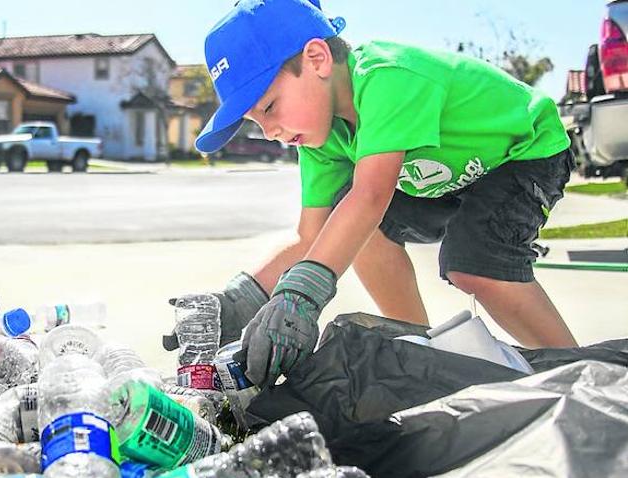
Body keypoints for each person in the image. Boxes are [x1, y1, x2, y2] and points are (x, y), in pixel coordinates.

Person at [164, 0, 578, 387]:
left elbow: (371, 197)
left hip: (522, 153)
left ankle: (578, 371)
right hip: (446, 178)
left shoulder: (388, 76)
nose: (270, 132)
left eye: (270, 107)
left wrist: (303, 295)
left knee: (475, 264)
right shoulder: (318, 138)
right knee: (348, 225)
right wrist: (238, 301)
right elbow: (312, 237)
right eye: (256, 122)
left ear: (317, 59)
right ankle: (423, 351)